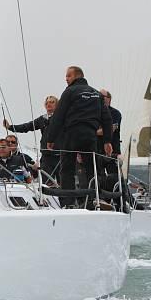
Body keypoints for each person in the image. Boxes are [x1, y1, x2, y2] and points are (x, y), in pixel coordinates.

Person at [42, 66, 112, 205]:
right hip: (90, 136)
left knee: (67, 169)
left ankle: (68, 202)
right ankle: (95, 199)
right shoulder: (96, 93)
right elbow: (107, 118)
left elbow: (58, 116)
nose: (66, 79)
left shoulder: (70, 91)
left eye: (68, 76)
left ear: (76, 76)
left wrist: (50, 139)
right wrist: (107, 141)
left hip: (71, 134)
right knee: (92, 169)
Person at [4, 96, 59, 182]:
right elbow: (27, 126)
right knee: (47, 183)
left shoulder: (62, 118)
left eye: (52, 102)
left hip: (60, 155)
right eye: (47, 103)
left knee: (63, 183)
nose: (49, 104)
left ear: (57, 105)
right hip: (46, 156)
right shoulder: (42, 119)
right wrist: (10, 127)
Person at [97, 89, 122, 177]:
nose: (99, 98)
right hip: (97, 150)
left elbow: (110, 129)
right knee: (98, 177)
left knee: (114, 176)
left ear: (109, 99)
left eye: (102, 96)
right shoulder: (95, 113)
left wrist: (92, 132)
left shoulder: (115, 113)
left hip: (112, 151)